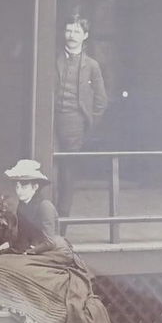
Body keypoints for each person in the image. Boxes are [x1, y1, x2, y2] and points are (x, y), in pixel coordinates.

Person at [0, 159, 112, 323]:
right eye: (17, 185)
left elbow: (49, 241)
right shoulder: (22, 206)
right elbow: (22, 238)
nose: (19, 190)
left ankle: (20, 303)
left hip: (53, 252)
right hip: (33, 249)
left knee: (22, 268)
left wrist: (29, 253)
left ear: (35, 187)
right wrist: (4, 248)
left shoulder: (45, 207)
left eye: (24, 185)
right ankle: (1, 298)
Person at [55, 13, 108, 213]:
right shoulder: (53, 59)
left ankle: (63, 222)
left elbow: (101, 100)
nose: (72, 35)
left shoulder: (92, 65)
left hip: (74, 124)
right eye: (69, 30)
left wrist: (88, 124)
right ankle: (47, 222)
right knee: (48, 171)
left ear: (85, 35)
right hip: (51, 121)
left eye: (77, 31)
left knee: (68, 174)